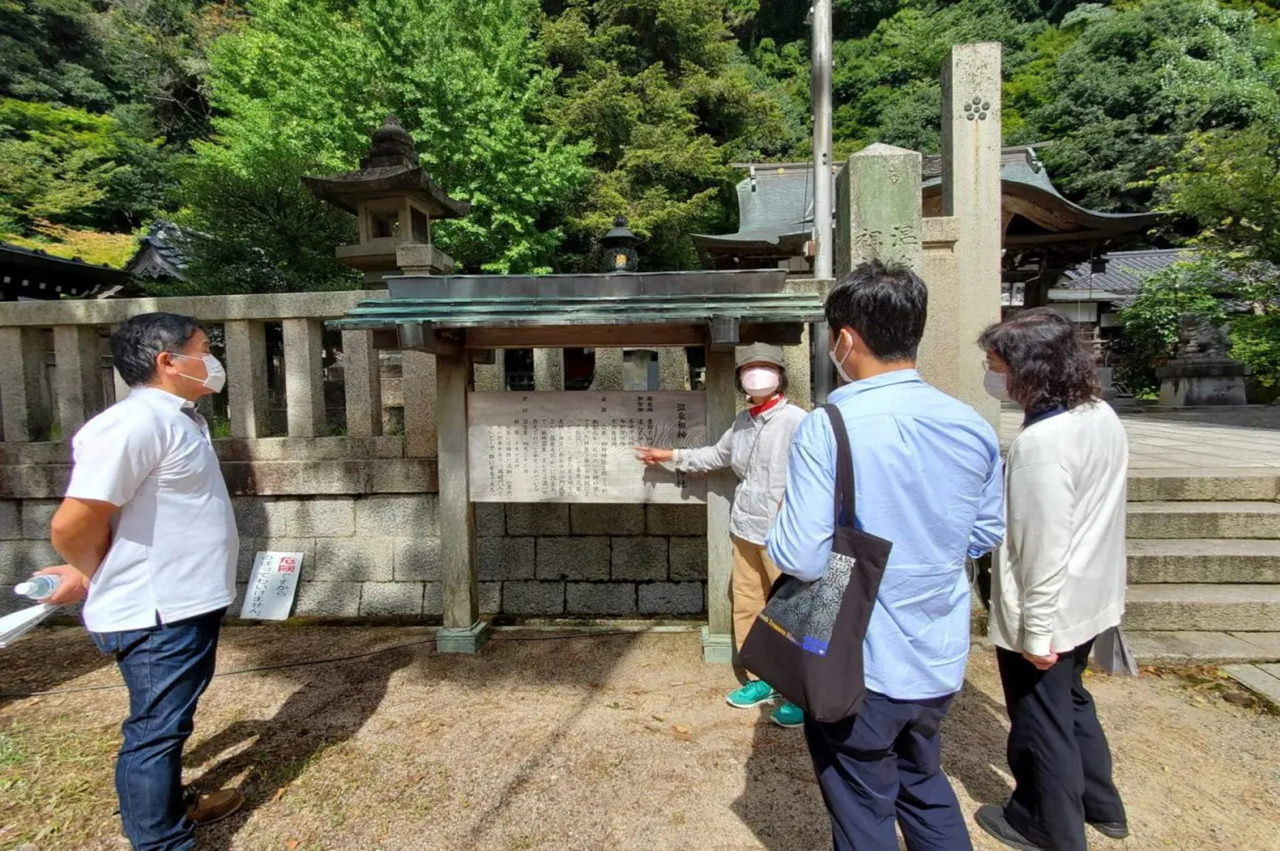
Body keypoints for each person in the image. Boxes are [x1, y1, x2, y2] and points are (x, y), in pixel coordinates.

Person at [767, 262, 1004, 850]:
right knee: (922, 781)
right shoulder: (969, 423)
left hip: (859, 656)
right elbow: (986, 531)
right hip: (938, 653)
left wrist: (774, 535)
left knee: (861, 803)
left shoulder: (831, 424)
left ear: (845, 339)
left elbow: (800, 553)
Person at [37, 313, 243, 850]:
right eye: (203, 348)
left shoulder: (177, 418)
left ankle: (172, 805)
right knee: (156, 731)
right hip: (158, 610)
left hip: (184, 600)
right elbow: (74, 521)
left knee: (170, 720)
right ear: (167, 360)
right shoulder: (135, 423)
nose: (211, 360)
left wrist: (89, 564)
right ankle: (160, 842)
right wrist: (88, 569)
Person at [973, 308, 1129, 851]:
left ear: (1029, 368)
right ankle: (1102, 805)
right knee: (1072, 699)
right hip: (1091, 594)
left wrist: (1036, 632)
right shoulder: (1098, 414)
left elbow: (1041, 544)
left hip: (1051, 606)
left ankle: (1047, 824)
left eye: (996, 366)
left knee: (1039, 718)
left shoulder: (1043, 445)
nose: (993, 377)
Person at [635, 342, 807, 727]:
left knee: (791, 610)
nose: (757, 374)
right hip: (745, 527)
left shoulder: (798, 420)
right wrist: (669, 457)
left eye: (766, 367)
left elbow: (816, 472)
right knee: (747, 602)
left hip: (786, 535)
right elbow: (715, 456)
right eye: (750, 368)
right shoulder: (743, 422)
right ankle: (762, 679)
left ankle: (800, 689)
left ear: (781, 375)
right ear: (740, 378)